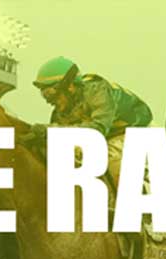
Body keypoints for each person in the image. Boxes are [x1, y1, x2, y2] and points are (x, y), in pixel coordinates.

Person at [24, 56, 153, 186]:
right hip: (107, 134)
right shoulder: (60, 112)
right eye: (43, 94)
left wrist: (51, 131)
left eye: (49, 93)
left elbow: (98, 130)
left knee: (112, 161)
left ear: (70, 86)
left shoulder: (97, 90)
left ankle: (141, 192)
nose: (48, 100)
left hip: (134, 130)